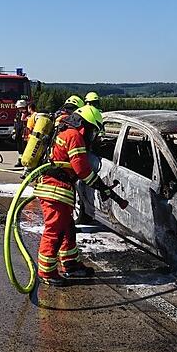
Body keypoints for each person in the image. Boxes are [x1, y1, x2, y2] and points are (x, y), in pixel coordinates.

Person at [34, 105, 116, 286]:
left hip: (58, 187)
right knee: (54, 231)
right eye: (93, 131)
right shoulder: (74, 136)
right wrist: (100, 185)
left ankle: (70, 264)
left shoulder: (64, 130)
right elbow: (82, 170)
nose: (92, 137)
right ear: (85, 126)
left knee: (67, 228)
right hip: (54, 189)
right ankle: (47, 272)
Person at [13, 99, 29, 166]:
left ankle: (24, 162)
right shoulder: (18, 114)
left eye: (20, 108)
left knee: (25, 147)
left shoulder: (28, 114)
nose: (19, 109)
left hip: (25, 134)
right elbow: (16, 123)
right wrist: (14, 132)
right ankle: (20, 161)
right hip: (18, 133)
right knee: (20, 149)